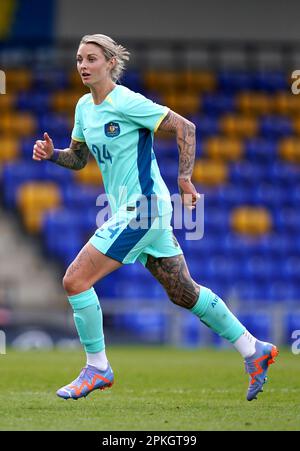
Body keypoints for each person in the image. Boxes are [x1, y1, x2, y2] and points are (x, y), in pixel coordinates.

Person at [33, 34, 278, 402]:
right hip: (136, 212)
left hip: (145, 208)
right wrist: (54, 154)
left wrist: (184, 179)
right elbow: (80, 159)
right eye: (79, 59)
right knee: (184, 292)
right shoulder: (84, 108)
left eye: (91, 59)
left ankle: (97, 368)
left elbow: (186, 128)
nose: (83, 65)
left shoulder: (127, 101)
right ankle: (253, 349)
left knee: (75, 280)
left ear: (110, 63)